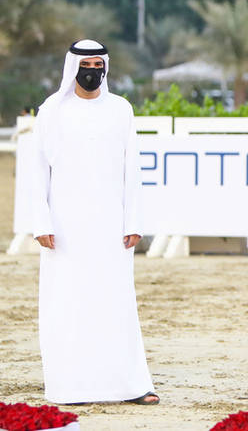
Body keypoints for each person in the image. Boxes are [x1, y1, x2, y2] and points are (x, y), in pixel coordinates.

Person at [31, 39, 158, 405]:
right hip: (64, 226)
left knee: (115, 302)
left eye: (97, 64)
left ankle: (130, 386)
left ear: (105, 66)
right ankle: (70, 387)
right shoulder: (51, 110)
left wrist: (133, 220)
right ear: (73, 67)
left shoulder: (121, 109)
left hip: (111, 225)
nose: (92, 71)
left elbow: (131, 169)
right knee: (66, 303)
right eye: (85, 64)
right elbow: (38, 171)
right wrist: (42, 222)